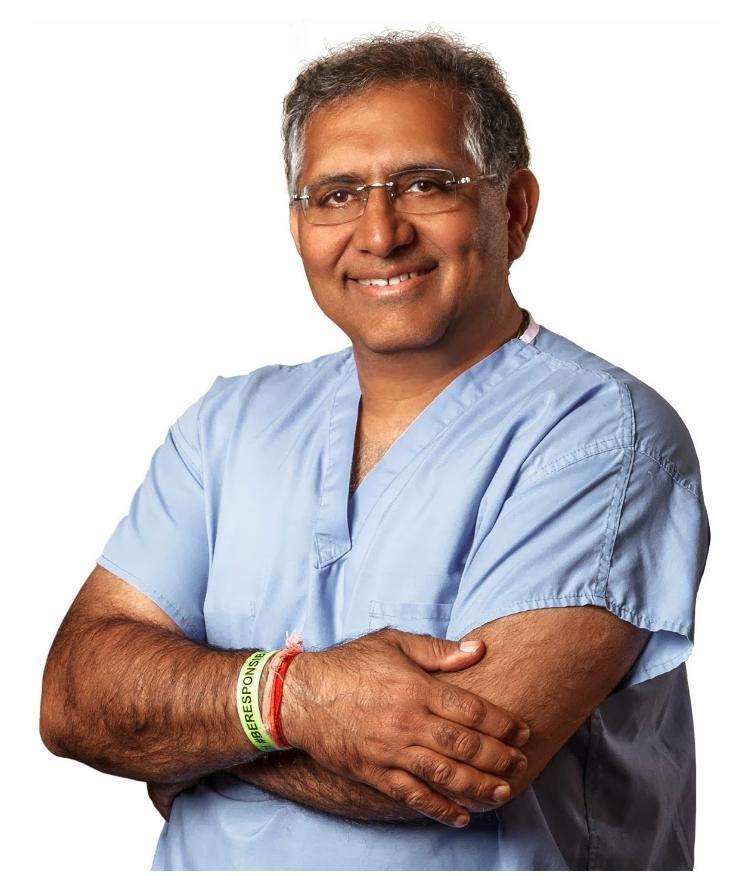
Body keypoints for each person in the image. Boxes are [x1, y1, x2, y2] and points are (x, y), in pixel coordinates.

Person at [40, 28, 710, 871]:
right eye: (337, 194)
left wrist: (194, 750)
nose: (380, 232)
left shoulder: (602, 435)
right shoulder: (228, 426)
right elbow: (73, 698)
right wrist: (298, 701)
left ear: (514, 208)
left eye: (426, 185)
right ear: (299, 226)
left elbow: (460, 767)